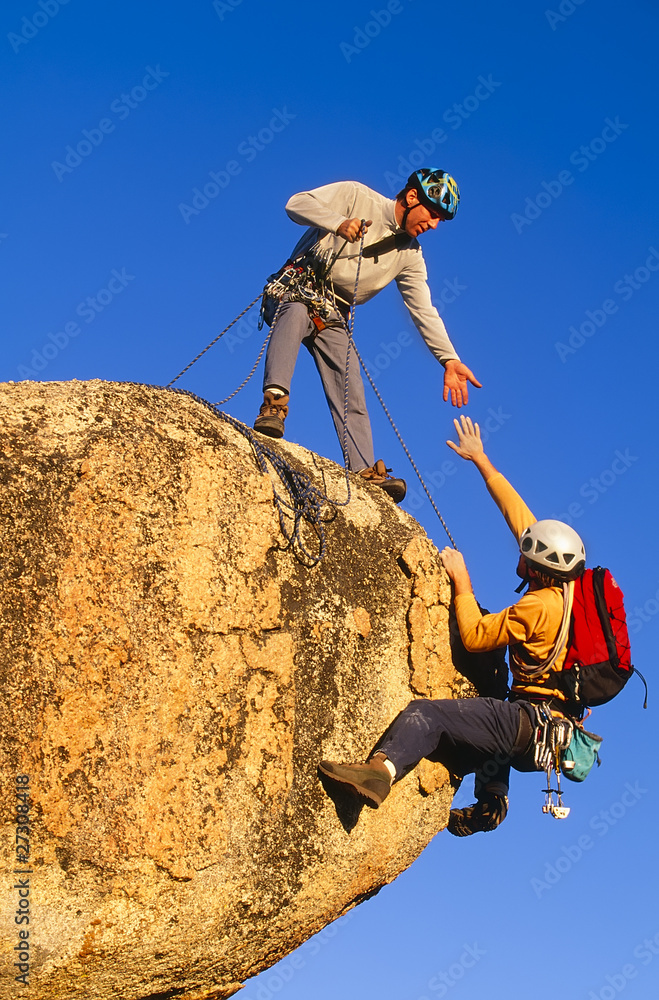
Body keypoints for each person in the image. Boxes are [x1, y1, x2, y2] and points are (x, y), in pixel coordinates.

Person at [318, 415, 588, 835]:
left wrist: (461, 581)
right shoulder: (573, 591)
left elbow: (476, 637)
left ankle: (379, 773)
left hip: (526, 727)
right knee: (494, 691)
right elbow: (517, 516)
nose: (520, 549)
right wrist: (481, 459)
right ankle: (493, 797)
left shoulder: (537, 608)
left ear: (536, 569)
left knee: (428, 714)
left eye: (525, 553)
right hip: (552, 734)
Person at [253, 169, 481, 503]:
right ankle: (274, 406)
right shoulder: (357, 195)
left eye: (440, 221)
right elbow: (296, 204)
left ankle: (362, 469)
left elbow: (423, 310)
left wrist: (449, 359)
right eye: (433, 214)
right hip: (296, 288)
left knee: (349, 381)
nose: (433, 225)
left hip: (333, 311)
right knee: (296, 312)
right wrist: (337, 222)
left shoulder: (410, 255)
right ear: (413, 197)